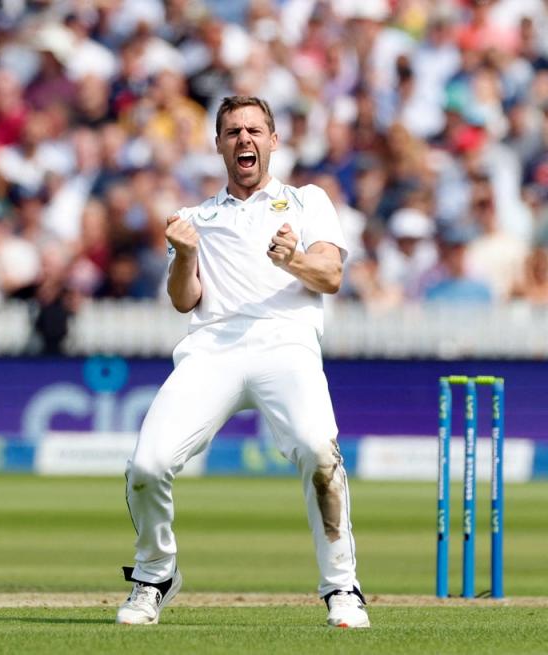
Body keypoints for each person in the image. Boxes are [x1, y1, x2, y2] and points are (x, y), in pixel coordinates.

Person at [116, 96, 368, 628]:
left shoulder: (308, 201)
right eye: (233, 132)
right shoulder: (193, 218)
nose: (244, 139)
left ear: (274, 140)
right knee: (147, 465)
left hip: (286, 343)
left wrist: (292, 260)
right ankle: (155, 573)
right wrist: (184, 255)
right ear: (219, 145)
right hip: (212, 349)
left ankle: (342, 587)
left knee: (319, 452)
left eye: (255, 130)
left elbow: (331, 277)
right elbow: (185, 300)